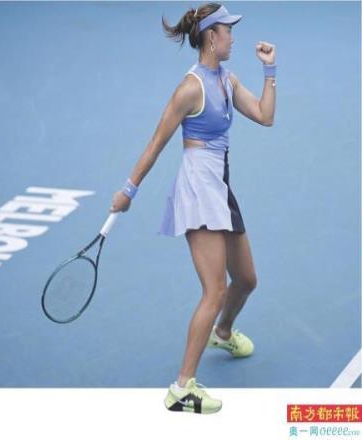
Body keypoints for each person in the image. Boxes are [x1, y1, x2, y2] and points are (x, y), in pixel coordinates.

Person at [109, 3, 276, 414]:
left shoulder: (227, 79)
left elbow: (264, 115)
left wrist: (270, 70)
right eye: (227, 30)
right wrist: (128, 190)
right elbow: (156, 142)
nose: (233, 36)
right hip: (199, 189)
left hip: (220, 184)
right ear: (210, 37)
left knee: (246, 280)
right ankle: (182, 388)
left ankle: (223, 332)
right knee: (214, 290)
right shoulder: (190, 88)